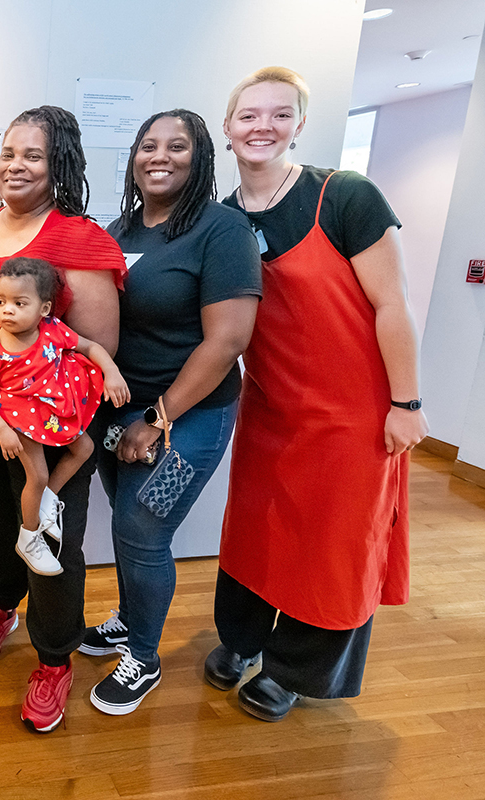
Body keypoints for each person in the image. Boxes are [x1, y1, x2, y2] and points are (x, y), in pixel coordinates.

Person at [210, 67, 428, 722]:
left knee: (332, 547)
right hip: (270, 407)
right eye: (249, 115)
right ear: (228, 128)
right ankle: (244, 640)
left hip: (354, 415)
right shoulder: (221, 221)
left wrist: (407, 403)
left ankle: (294, 670)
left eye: (280, 115)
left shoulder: (345, 196)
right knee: (257, 531)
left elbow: (393, 304)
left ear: (299, 125)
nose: (263, 127)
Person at [77, 109, 260, 716]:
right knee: (126, 525)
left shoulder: (222, 230)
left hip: (190, 412)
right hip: (118, 410)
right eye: (148, 145)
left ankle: (145, 658)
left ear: (200, 156)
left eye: (177, 146)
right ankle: (130, 623)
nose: (160, 156)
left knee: (143, 529)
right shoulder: (120, 228)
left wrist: (157, 418)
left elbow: (227, 340)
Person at [0, 105, 127, 733]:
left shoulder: (80, 240)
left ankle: (55, 657)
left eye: (33, 155)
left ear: (59, 167)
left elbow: (96, 346)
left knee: (54, 539)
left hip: (52, 431)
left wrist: (46, 431)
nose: (15, 165)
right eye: (8, 152)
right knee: (2, 518)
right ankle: (4, 602)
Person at [0, 257, 129, 576]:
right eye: (1, 301)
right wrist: (1, 429)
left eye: (19, 303)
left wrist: (111, 372)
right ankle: (28, 538)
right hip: (19, 417)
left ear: (44, 308)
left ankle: (47, 500)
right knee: (37, 475)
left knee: (84, 449)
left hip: (54, 411)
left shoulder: (52, 330)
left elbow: (90, 347)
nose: (7, 310)